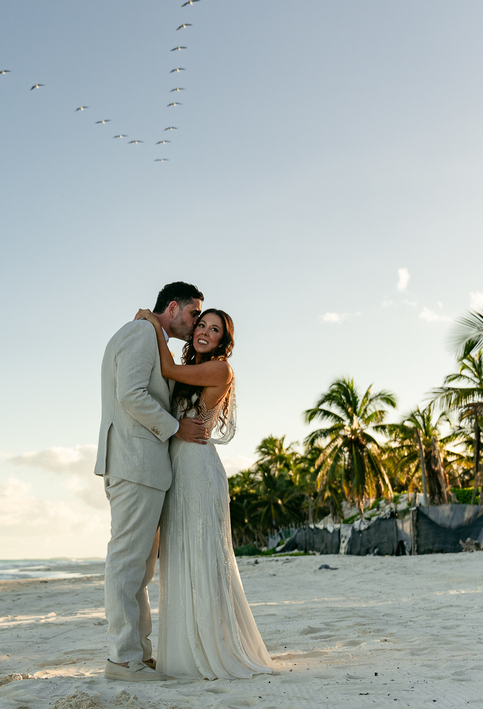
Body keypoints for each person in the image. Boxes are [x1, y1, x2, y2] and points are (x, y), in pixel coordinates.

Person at [135, 306, 275, 680]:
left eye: (214, 330)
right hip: (179, 470)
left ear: (222, 342)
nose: (204, 332)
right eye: (201, 325)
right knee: (181, 556)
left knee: (202, 555)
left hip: (198, 470)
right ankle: (186, 649)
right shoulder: (193, 369)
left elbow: (167, 370)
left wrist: (154, 325)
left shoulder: (220, 369)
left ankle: (215, 648)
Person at [95, 281, 209, 683]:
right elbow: (131, 393)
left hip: (141, 465)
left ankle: (136, 657)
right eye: (194, 313)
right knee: (127, 563)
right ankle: (123, 659)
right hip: (134, 462)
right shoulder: (141, 332)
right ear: (174, 308)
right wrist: (176, 427)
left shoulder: (148, 334)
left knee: (138, 569)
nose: (196, 322)